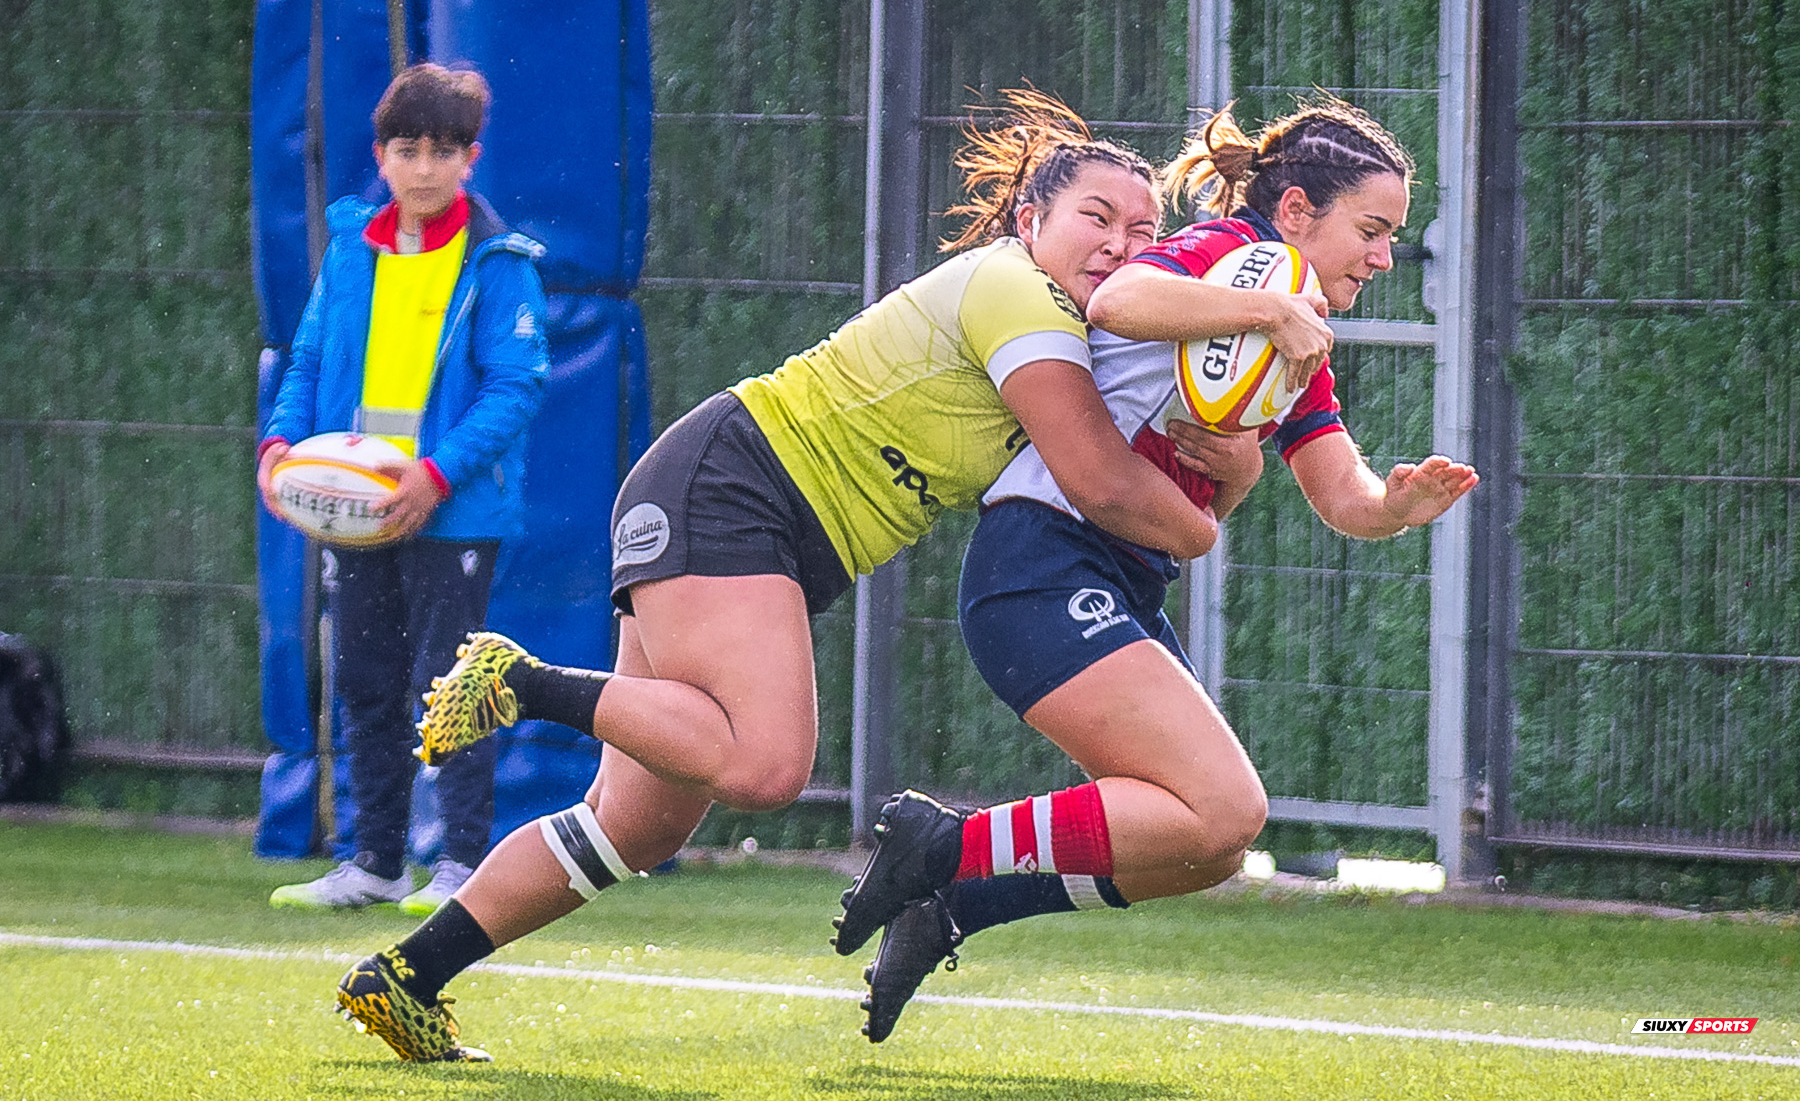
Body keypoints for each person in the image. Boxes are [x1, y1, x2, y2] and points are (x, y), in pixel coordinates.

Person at [333, 91, 1309, 1063]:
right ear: (1030, 220)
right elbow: (1100, 479)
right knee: (764, 766)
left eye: (1143, 231)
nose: (1119, 243)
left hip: (747, 514)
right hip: (735, 488)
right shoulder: (1016, 291)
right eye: (1095, 217)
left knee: (631, 822)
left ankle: (407, 974)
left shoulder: (1072, 327)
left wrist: (1228, 468)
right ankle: (520, 679)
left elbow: (1137, 476)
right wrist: (1205, 519)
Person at [834, 96, 1480, 1042]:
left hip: (1116, 578)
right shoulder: (1237, 258)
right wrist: (1269, 308)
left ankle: (956, 903)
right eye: (1373, 229)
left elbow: (1343, 494)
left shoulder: (1295, 331)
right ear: (1296, 211)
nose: (1385, 256)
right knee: (1225, 806)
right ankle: (941, 843)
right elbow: (1119, 300)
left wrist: (1399, 504)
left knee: (1203, 843)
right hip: (1041, 559)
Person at [258, 64, 549, 919]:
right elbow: (307, 359)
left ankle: (460, 860)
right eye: (407, 149)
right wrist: (280, 445)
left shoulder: (499, 262)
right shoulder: (351, 250)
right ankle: (374, 859)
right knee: (366, 679)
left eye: (443, 151)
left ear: (471, 158)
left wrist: (434, 473)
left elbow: (515, 385)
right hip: (357, 509)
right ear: (380, 156)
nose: (424, 167)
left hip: (452, 507)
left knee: (450, 682)